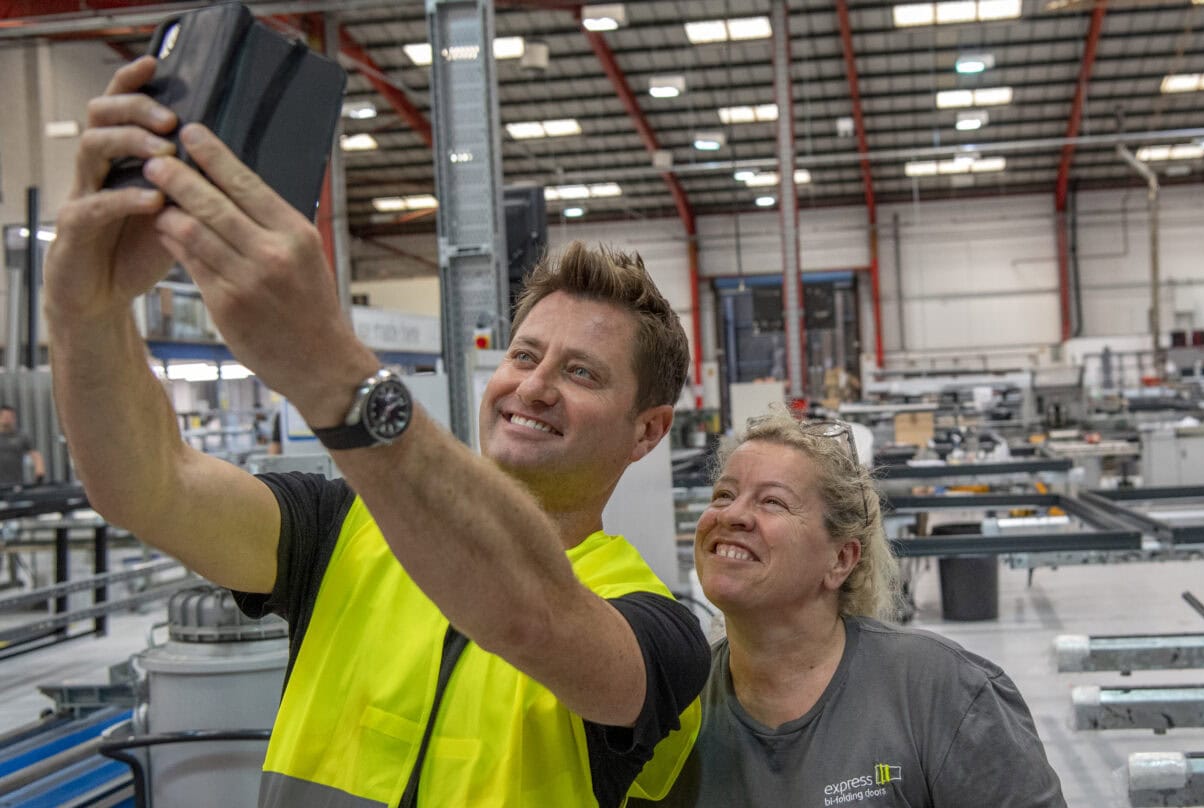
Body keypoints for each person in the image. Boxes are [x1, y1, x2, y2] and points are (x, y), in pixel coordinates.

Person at [46, 56, 708, 806]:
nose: (534, 386)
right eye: (524, 355)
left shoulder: (660, 631)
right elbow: (144, 484)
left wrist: (329, 365)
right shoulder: (340, 530)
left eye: (582, 373)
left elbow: (528, 615)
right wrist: (85, 311)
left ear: (647, 431)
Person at [644, 406, 1066, 807]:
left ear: (840, 560)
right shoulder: (678, 707)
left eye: (772, 501)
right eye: (723, 495)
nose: (732, 514)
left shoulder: (946, 694)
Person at [0, 406, 45, 487]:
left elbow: (35, 455)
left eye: (10, 417)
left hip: (16, 483)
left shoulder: (21, 436)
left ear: (14, 419)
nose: (7, 419)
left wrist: (40, 472)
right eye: (5, 416)